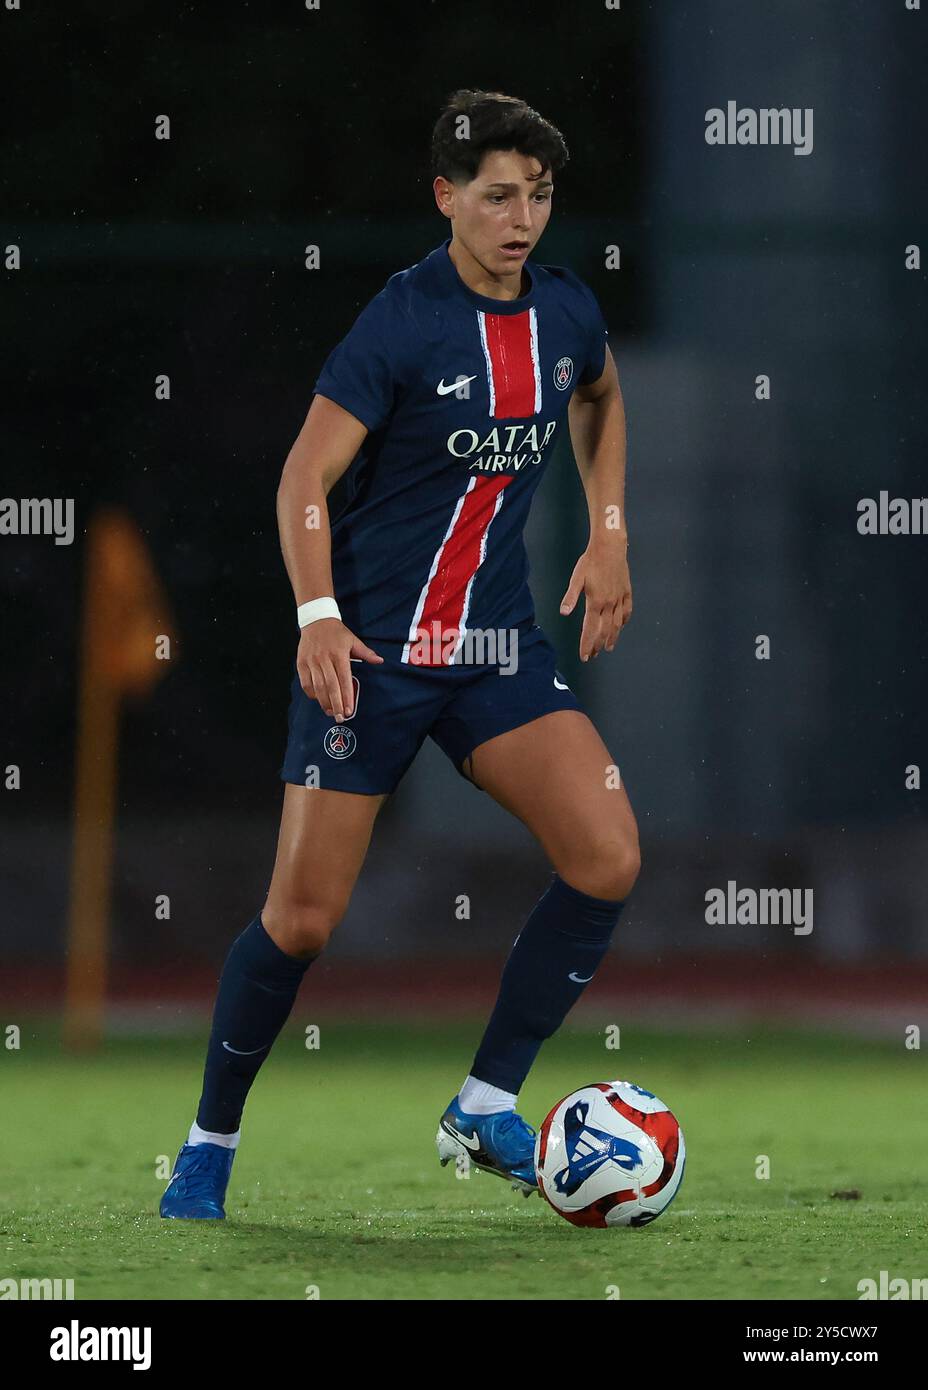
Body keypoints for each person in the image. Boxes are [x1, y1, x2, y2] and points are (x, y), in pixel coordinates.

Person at [160, 88, 638, 1219]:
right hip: (371, 655)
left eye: (540, 196)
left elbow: (601, 398)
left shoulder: (564, 313)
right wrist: (316, 614)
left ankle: (482, 1103)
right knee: (302, 920)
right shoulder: (402, 320)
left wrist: (610, 534)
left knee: (607, 856)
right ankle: (207, 1143)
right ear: (446, 198)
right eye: (497, 197)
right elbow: (301, 479)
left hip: (495, 649)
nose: (521, 218)